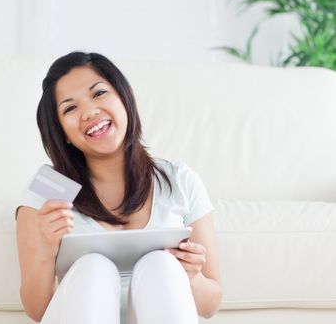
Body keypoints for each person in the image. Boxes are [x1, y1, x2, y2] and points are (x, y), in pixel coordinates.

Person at [15, 51, 222, 324]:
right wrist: (46, 252)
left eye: (99, 93)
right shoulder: (51, 186)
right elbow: (37, 311)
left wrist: (192, 275)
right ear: (61, 132)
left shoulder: (178, 180)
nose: (90, 112)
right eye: (70, 108)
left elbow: (210, 305)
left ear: (125, 98)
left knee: (161, 265)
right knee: (93, 268)